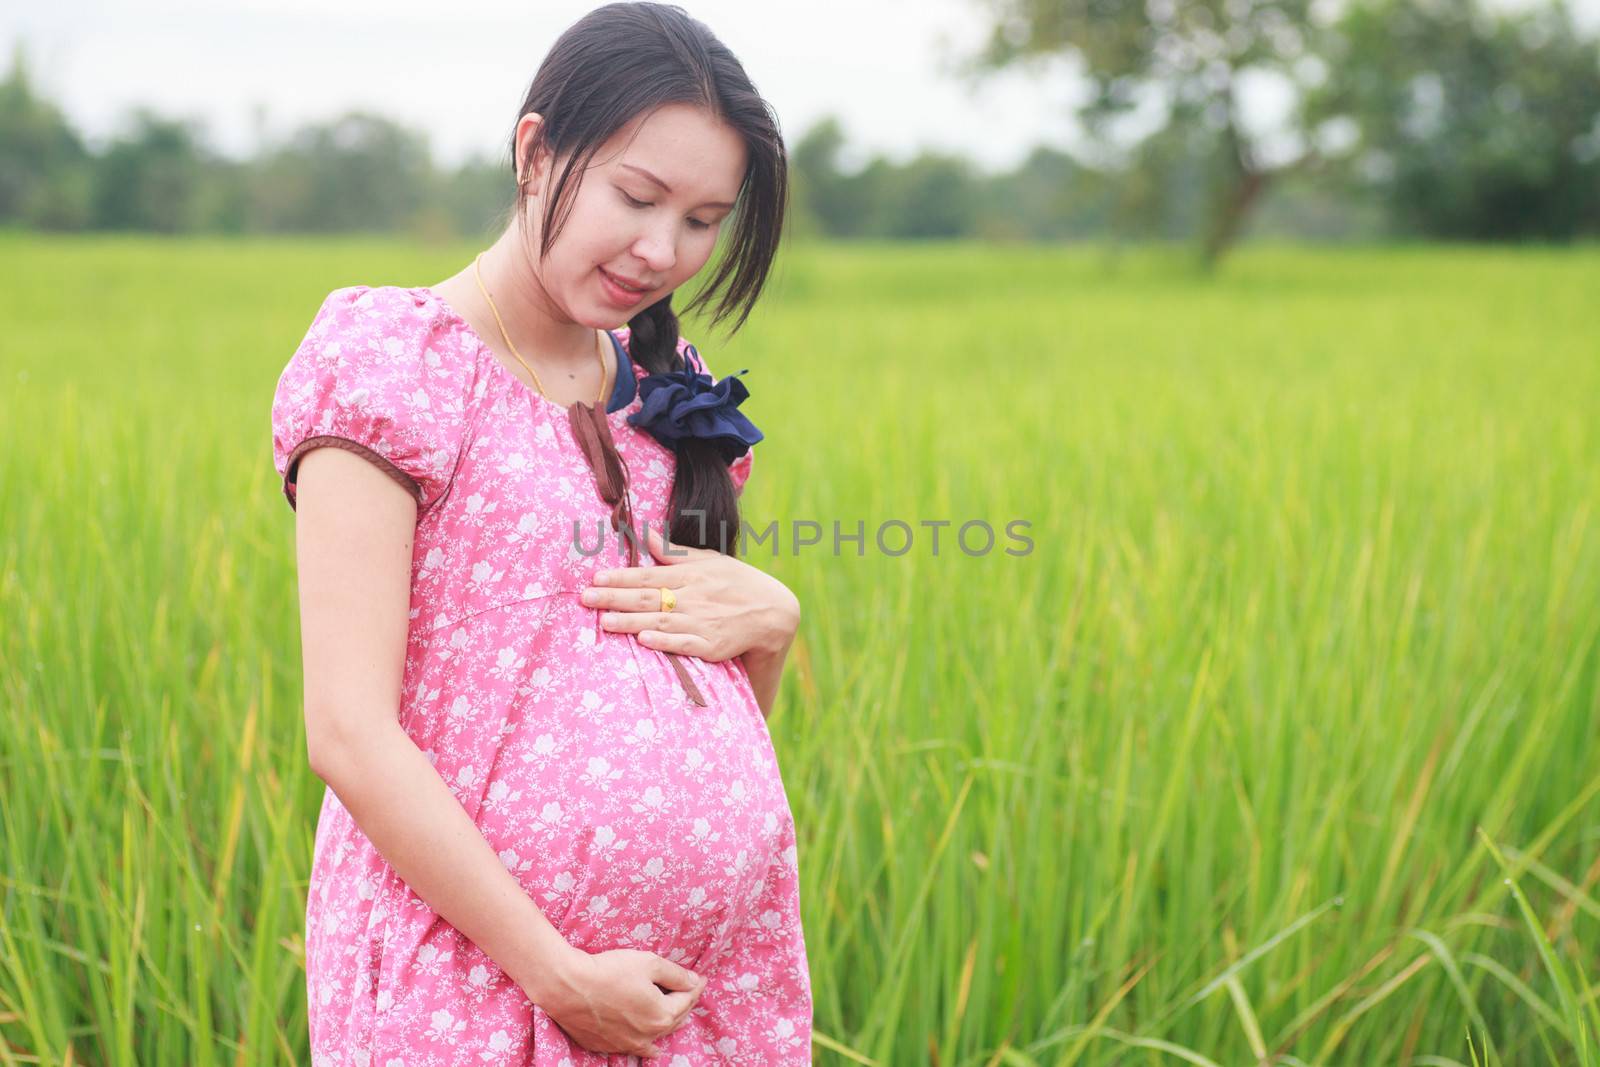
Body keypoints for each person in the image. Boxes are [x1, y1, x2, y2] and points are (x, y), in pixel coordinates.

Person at [268, 4, 810, 1062]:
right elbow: (345, 728)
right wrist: (556, 970)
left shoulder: (670, 390)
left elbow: (710, 713)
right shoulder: (395, 361)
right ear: (534, 151)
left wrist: (772, 633)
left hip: (699, 989)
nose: (662, 249)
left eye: (703, 219)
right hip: (476, 978)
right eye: (636, 196)